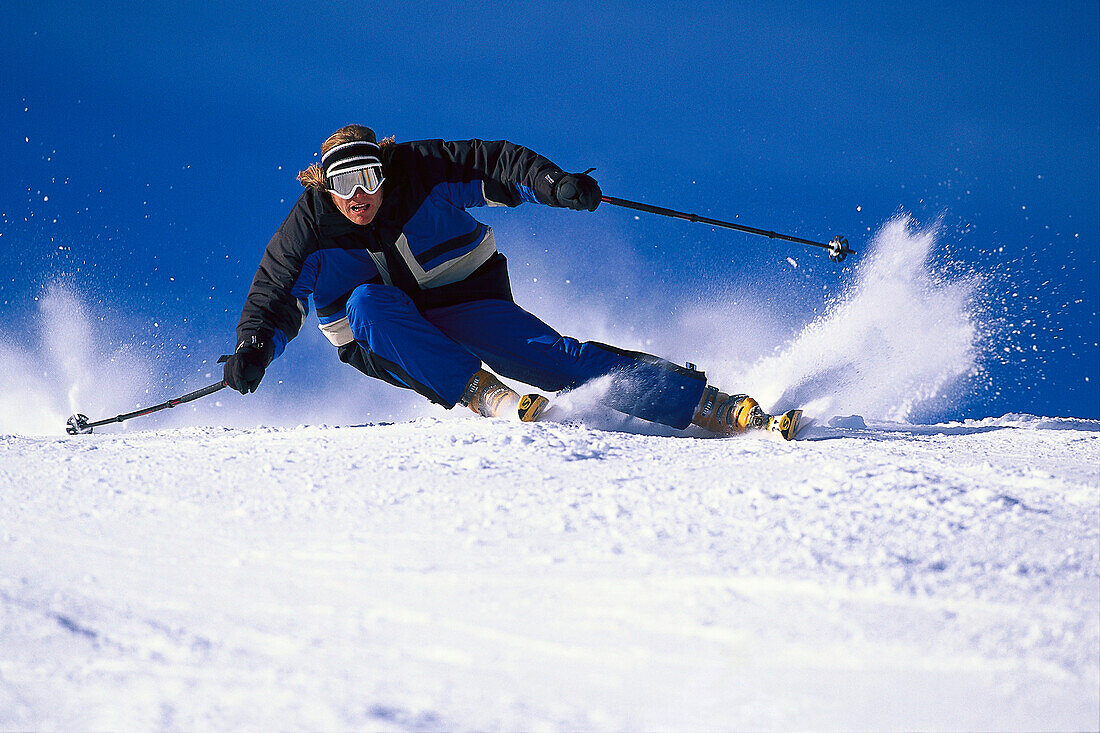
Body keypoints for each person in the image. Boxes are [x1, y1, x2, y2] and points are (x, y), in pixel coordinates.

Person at [223, 125, 763, 435]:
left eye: (368, 178)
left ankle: (702, 403)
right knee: (365, 301)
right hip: (386, 337)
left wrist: (553, 184)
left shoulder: (421, 172)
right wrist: (253, 349)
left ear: (385, 172)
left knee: (562, 358)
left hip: (463, 299)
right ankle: (481, 392)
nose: (358, 195)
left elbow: (498, 163)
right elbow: (273, 296)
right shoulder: (310, 227)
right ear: (326, 186)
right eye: (343, 183)